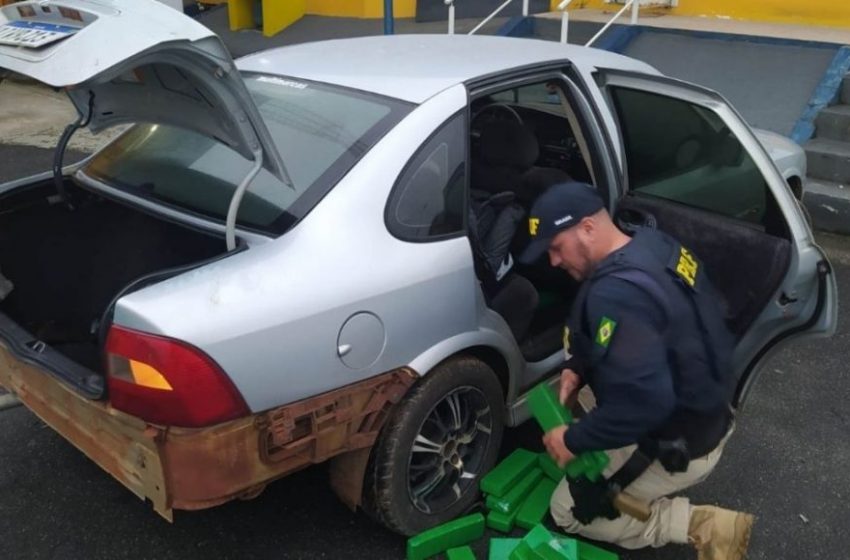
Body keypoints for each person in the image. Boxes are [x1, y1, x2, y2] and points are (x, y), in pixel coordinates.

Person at [518, 182, 753, 559]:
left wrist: (572, 440)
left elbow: (644, 404)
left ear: (587, 228)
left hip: (679, 439)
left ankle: (700, 525)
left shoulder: (616, 295)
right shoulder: (653, 244)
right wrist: (576, 367)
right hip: (709, 404)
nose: (554, 262)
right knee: (576, 346)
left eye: (556, 247)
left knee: (570, 510)